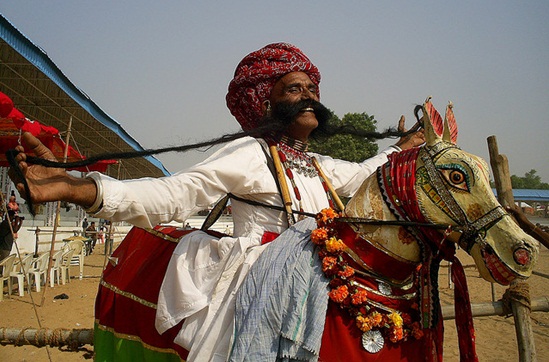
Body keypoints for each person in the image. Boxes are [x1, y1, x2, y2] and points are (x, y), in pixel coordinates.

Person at [9, 42, 424, 361]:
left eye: (312, 88)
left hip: (322, 281)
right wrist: (75, 187)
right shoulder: (249, 153)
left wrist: (404, 149)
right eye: (294, 88)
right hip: (259, 286)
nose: (309, 95)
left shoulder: (319, 165)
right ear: (266, 102)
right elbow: (172, 196)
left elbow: (367, 174)